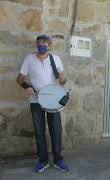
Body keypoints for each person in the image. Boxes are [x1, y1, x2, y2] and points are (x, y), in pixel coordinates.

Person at [16, 35, 69, 173]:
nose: (42, 45)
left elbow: (62, 81)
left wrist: (63, 79)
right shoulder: (29, 59)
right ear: (36, 44)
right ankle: (43, 160)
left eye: (45, 43)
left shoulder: (55, 59)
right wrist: (27, 86)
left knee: (56, 130)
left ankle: (58, 160)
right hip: (35, 100)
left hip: (52, 101)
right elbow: (20, 78)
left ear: (50, 45)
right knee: (39, 131)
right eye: (39, 42)